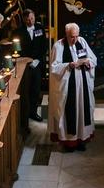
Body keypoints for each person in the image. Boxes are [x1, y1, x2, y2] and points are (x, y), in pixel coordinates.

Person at [48, 22, 97, 151]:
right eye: (71, 37)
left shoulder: (82, 41)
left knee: (82, 110)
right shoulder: (58, 46)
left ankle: (81, 139)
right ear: (66, 34)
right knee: (70, 111)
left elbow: (93, 59)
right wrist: (68, 65)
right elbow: (54, 67)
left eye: (76, 36)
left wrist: (88, 62)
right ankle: (69, 142)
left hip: (82, 86)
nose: (74, 39)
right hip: (68, 86)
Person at [17, 8, 46, 122]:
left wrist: (37, 60)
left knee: (35, 89)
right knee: (25, 90)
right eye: (28, 19)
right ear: (24, 20)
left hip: (37, 65)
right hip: (24, 65)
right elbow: (18, 50)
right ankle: (24, 114)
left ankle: (33, 112)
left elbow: (43, 46)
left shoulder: (40, 28)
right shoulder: (18, 32)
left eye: (32, 18)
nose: (30, 21)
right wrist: (27, 61)